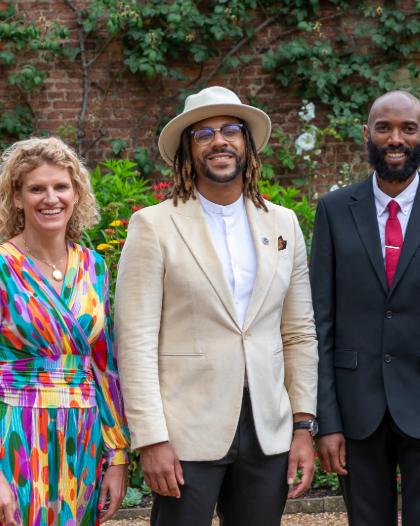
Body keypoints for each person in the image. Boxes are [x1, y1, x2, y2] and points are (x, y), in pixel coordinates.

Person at [113, 86, 319, 526]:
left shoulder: (284, 223)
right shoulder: (153, 226)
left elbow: (298, 331)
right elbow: (135, 341)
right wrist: (151, 439)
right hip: (186, 432)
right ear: (188, 150)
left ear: (247, 143)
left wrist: (303, 427)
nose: (219, 141)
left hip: (268, 431)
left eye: (230, 130)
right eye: (203, 134)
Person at [311, 90, 420, 525]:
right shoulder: (334, 211)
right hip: (356, 409)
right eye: (384, 127)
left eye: (408, 128)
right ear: (366, 133)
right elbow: (321, 322)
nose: (396, 138)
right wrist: (326, 421)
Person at [0, 137, 130, 526]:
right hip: (13, 435)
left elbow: (104, 368)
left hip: (79, 439)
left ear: (76, 193)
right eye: (36, 188)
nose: (50, 198)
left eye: (61, 187)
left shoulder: (94, 267)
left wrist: (117, 454)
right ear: (16, 198)